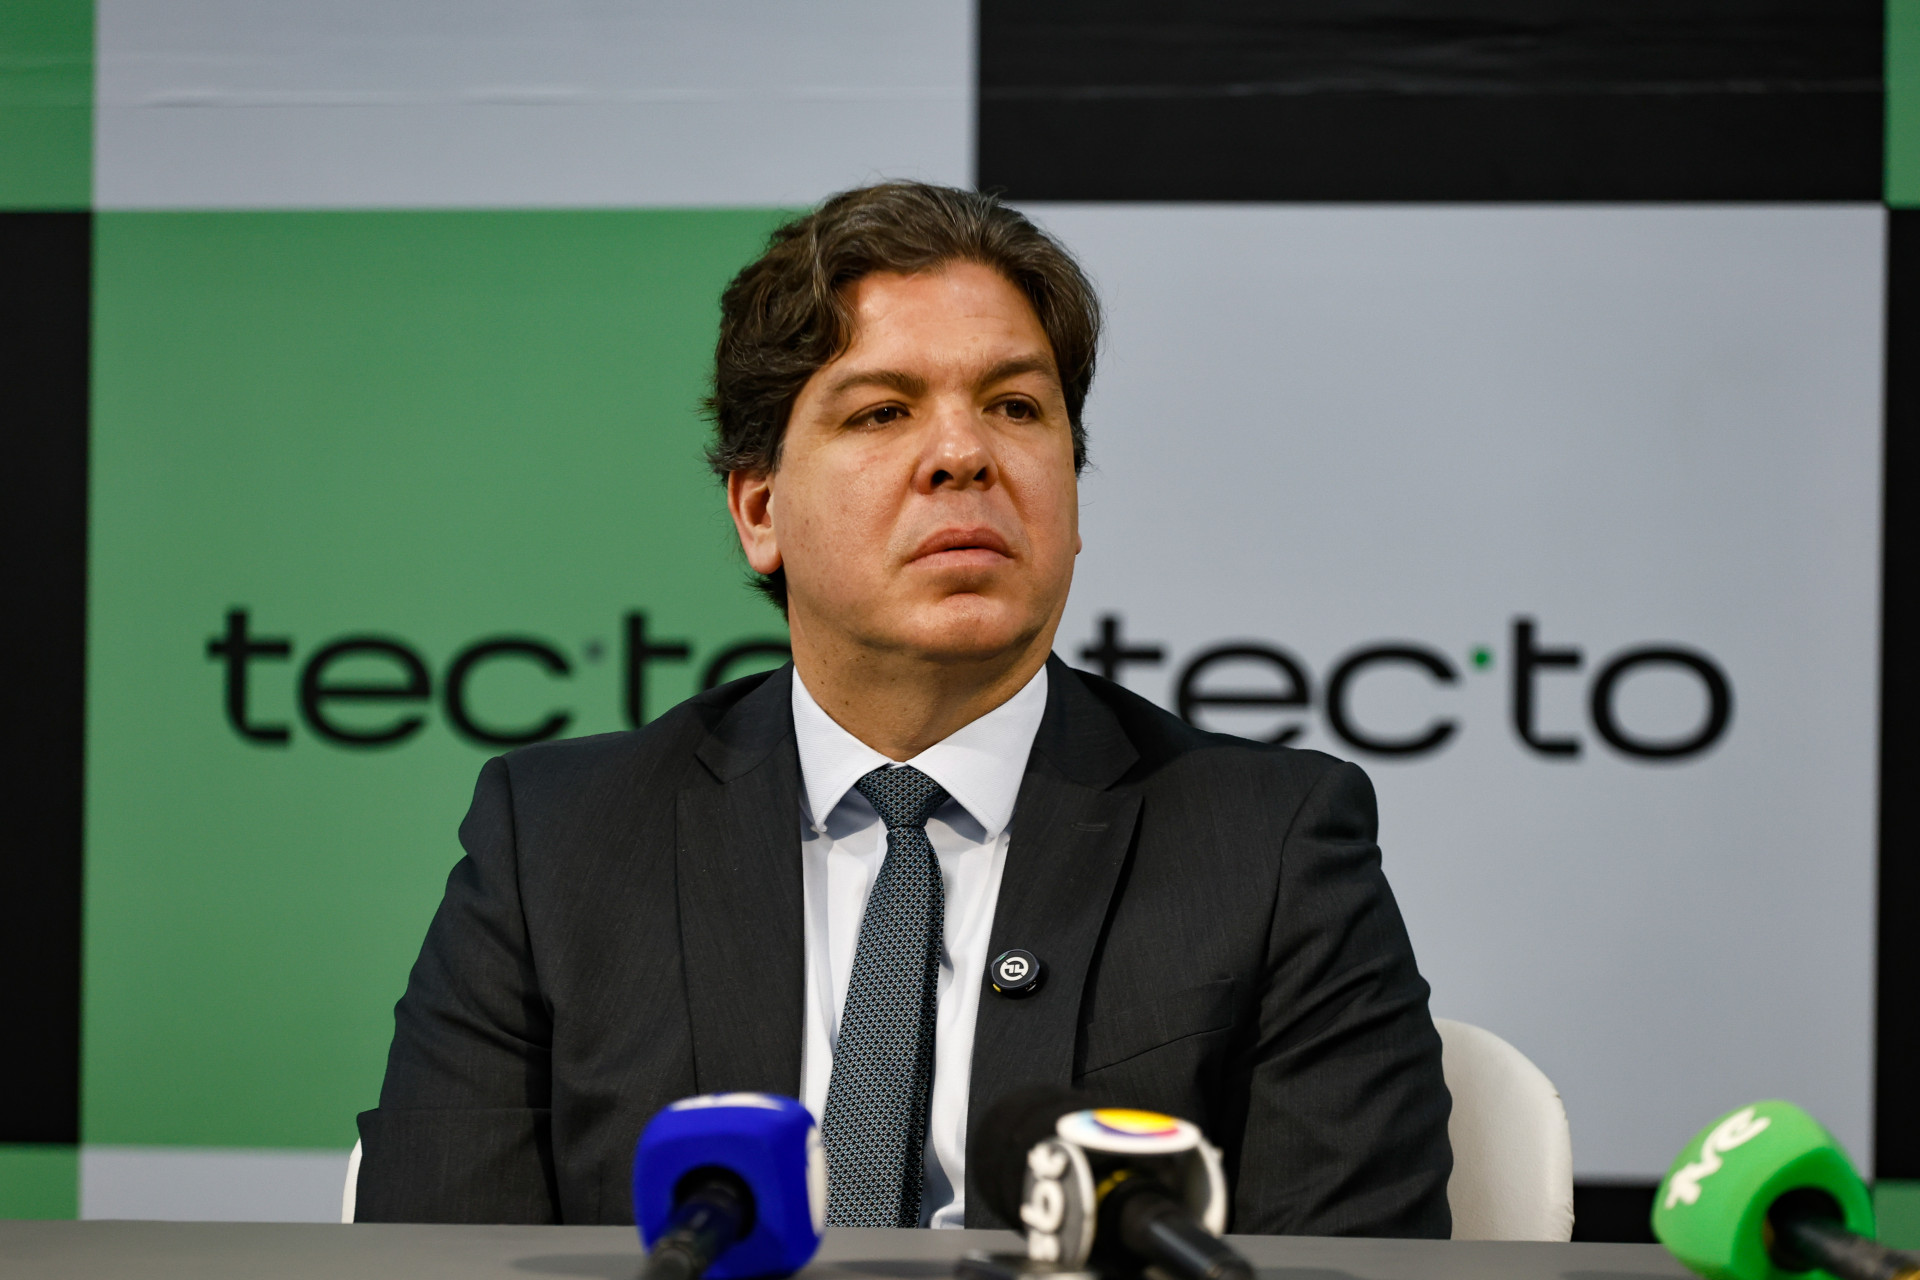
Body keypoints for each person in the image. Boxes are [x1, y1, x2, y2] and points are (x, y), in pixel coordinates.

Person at [356, 181, 1452, 1234]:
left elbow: (1348, 1255)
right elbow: (438, 1248)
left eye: (1016, 406)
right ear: (759, 508)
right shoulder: (559, 843)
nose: (965, 455)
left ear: (1072, 491)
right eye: (883, 410)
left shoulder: (1269, 846)